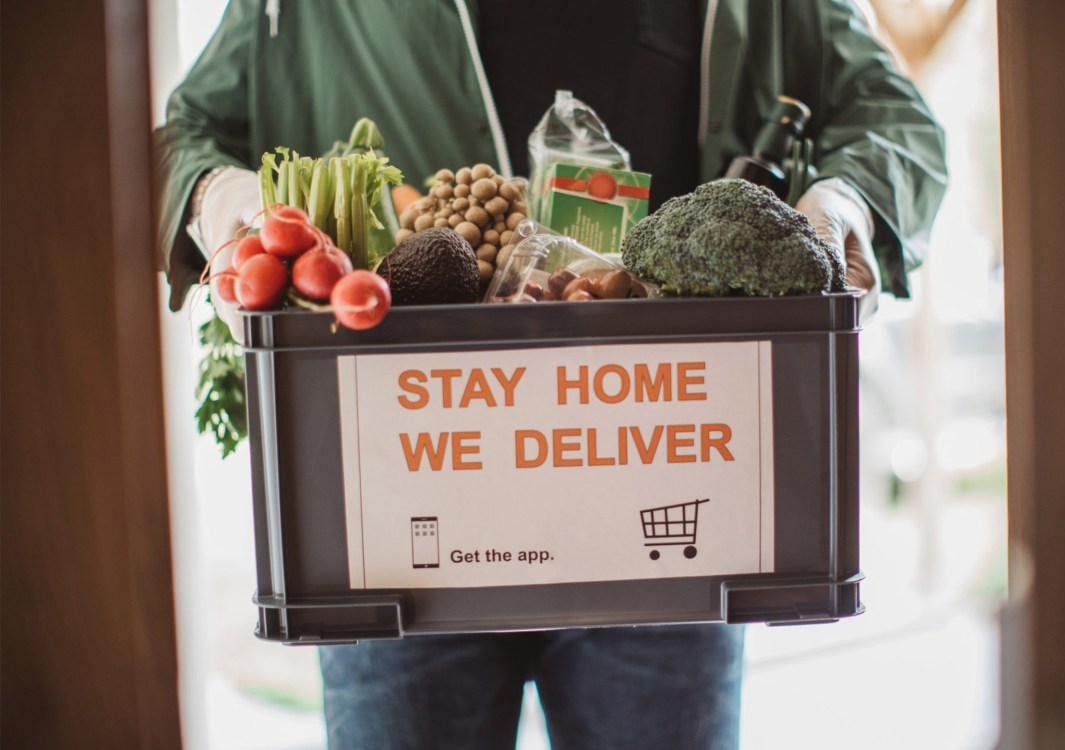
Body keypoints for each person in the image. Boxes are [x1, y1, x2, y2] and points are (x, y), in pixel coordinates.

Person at [154, 1, 946, 748]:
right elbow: (180, 132)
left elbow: (896, 120)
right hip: (401, 508)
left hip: (670, 506)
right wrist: (228, 210)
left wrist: (847, 204)